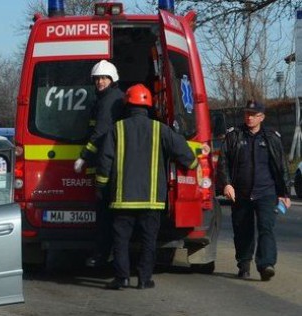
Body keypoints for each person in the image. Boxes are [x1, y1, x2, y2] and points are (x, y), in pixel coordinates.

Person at [96, 84, 197, 290]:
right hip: (152, 201)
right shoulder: (160, 129)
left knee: (121, 241)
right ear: (149, 105)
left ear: (127, 104)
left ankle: (122, 278)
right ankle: (144, 279)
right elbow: (184, 153)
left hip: (122, 200)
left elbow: (104, 161)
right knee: (148, 241)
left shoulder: (117, 128)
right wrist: (193, 164)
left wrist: (102, 188)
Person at [217, 101, 290, 281]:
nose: (249, 117)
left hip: (266, 192)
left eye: (254, 114)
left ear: (262, 117)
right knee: (243, 230)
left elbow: (281, 167)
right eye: (247, 113)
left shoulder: (271, 137)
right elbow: (223, 162)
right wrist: (226, 184)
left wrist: (285, 193)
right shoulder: (234, 136)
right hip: (240, 193)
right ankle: (244, 263)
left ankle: (266, 265)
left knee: (266, 228)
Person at [73, 59, 125, 267]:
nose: (100, 82)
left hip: (110, 165)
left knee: (105, 213)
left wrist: (83, 156)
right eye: (97, 78)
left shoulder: (109, 101)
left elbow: (99, 134)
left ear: (112, 80)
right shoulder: (106, 99)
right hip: (109, 163)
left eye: (104, 78)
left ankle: (104, 254)